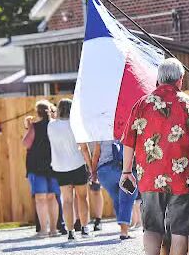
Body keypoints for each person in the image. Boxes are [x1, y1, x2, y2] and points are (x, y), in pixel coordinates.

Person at [120, 58, 189, 255]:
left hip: (149, 177)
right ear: (180, 79)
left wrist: (127, 172)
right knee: (180, 231)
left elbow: (129, 140)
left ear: (158, 79)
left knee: (152, 227)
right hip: (183, 178)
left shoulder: (142, 104)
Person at [48, 99, 91, 240]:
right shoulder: (76, 125)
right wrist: (91, 166)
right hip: (78, 165)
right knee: (82, 198)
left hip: (60, 167)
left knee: (66, 200)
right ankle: (85, 228)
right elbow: (84, 148)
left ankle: (70, 232)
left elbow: (54, 120)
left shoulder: (51, 126)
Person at [22, 100, 61, 238]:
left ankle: (44, 230)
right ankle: (54, 230)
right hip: (54, 165)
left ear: (37, 113)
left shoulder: (35, 127)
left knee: (40, 198)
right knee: (52, 197)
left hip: (37, 166)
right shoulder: (56, 126)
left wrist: (28, 128)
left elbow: (26, 143)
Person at [85, 140, 137, 239]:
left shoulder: (102, 132)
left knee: (117, 198)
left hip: (104, 172)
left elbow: (96, 155)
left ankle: (123, 228)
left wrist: (93, 173)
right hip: (121, 168)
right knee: (127, 197)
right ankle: (124, 231)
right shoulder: (124, 129)